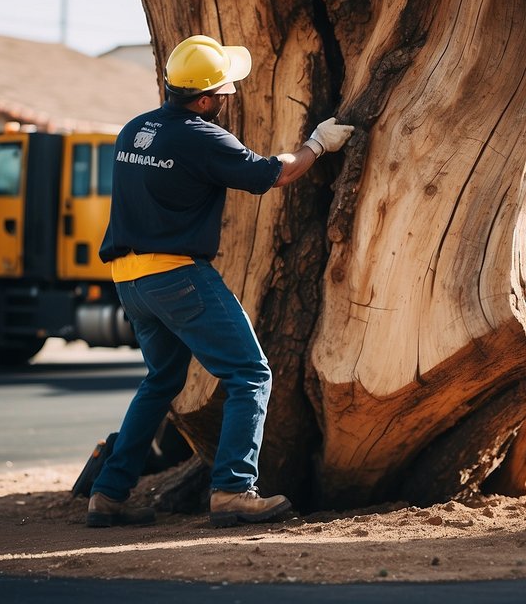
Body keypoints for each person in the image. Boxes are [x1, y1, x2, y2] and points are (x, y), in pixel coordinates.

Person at [87, 34, 354, 529]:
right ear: (206, 99)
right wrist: (318, 143)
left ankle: (109, 493)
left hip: (130, 281)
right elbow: (274, 173)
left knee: (162, 380)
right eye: (226, 92)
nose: (230, 99)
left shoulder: (134, 130)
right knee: (250, 374)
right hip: (175, 277)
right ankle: (233, 491)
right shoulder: (200, 136)